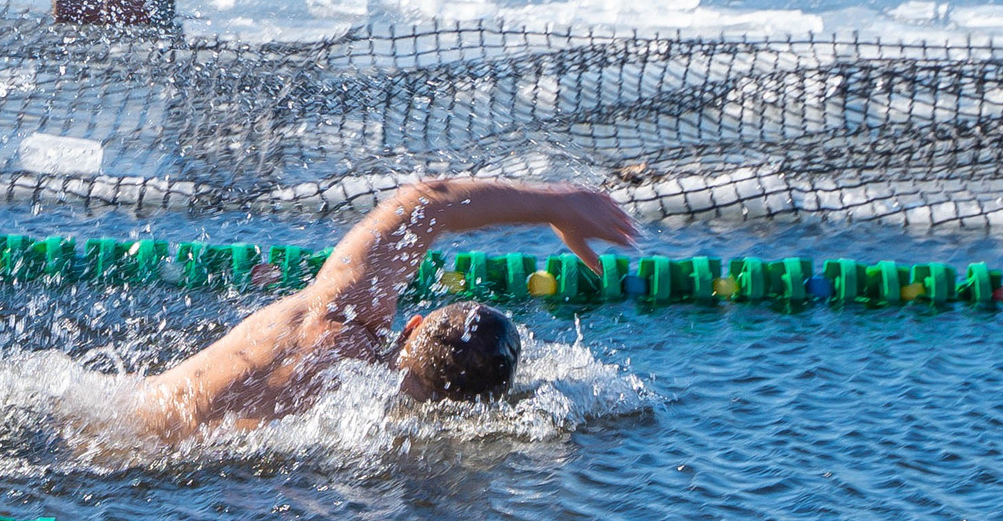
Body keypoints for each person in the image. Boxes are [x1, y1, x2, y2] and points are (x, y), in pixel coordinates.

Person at [129, 176, 638, 437]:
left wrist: (556, 204)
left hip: (111, 416)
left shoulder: (337, 312)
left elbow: (426, 199)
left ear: (412, 324)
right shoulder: (374, 418)